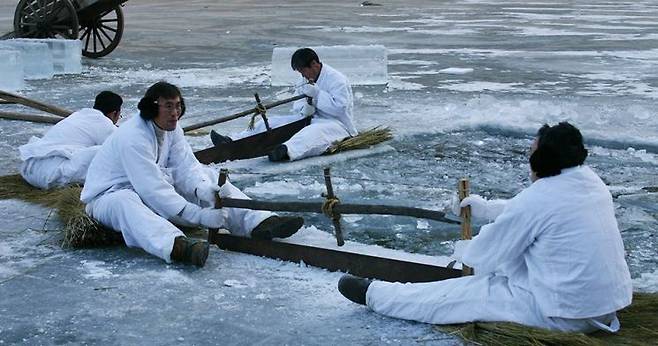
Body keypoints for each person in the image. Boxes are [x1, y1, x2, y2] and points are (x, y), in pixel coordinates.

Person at [337, 122, 633, 333]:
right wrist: (488, 210)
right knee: (515, 262)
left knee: (464, 292)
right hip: (604, 309)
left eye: (531, 154)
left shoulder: (539, 198)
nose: (528, 160)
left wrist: (464, 249)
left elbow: (484, 255)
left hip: (562, 313)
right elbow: (538, 213)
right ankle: (380, 294)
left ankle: (376, 295)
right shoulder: (590, 182)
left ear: (542, 160)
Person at [81, 82, 304, 267]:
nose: (175, 113)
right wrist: (197, 216)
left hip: (151, 187)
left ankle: (259, 222)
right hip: (109, 196)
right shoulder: (133, 137)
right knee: (125, 202)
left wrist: (203, 190)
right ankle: (176, 245)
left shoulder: (172, 129)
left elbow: (185, 167)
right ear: (151, 107)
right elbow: (152, 189)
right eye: (168, 107)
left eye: (178, 106)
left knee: (210, 176)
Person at [210, 47, 358, 161]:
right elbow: (297, 106)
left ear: (314, 64)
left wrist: (318, 95)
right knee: (271, 123)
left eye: (303, 71)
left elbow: (340, 109)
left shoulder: (337, 79)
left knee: (312, 134)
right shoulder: (304, 79)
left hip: (336, 124)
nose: (302, 75)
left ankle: (286, 151)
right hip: (310, 118)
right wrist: (306, 108)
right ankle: (233, 140)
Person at [19, 91, 122, 189]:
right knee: (111, 151)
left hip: (30, 169)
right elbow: (120, 149)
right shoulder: (104, 123)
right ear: (114, 113)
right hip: (52, 176)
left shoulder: (79, 115)